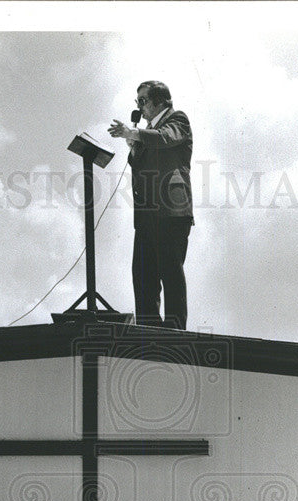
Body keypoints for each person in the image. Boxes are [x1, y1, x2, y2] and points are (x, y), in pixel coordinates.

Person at [108, 80, 193, 330]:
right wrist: (134, 145)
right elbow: (140, 162)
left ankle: (175, 332)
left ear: (160, 101)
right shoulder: (146, 133)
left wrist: (133, 133)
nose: (140, 107)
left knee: (170, 273)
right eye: (138, 102)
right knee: (144, 277)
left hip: (170, 212)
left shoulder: (178, 119)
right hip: (146, 216)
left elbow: (165, 139)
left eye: (143, 101)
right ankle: (149, 332)